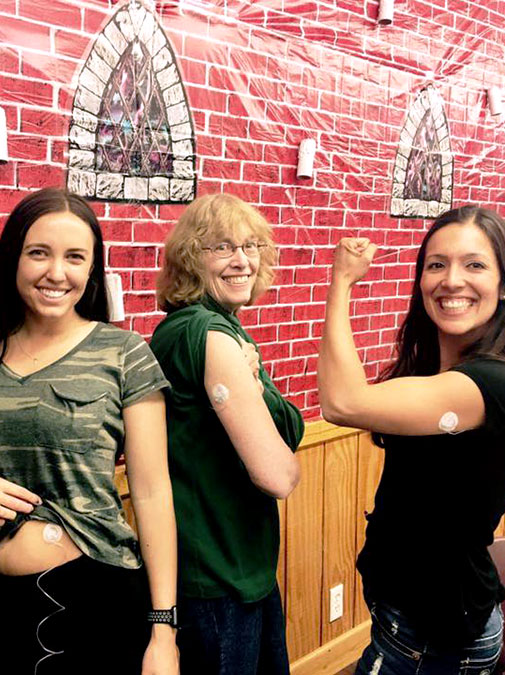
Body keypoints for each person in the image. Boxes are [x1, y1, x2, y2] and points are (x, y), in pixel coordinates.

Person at [0, 187, 179, 675]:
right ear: (13, 259)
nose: (56, 272)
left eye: (75, 257)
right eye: (39, 253)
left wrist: (163, 630)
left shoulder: (124, 353)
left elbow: (152, 492)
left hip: (102, 594)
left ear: (92, 269)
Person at [318, 205, 505, 674]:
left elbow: (341, 403)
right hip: (414, 621)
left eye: (475, 265)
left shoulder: (492, 385)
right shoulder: (446, 373)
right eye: (437, 264)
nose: (451, 280)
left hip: (433, 639)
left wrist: (341, 282)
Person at [149, 193, 303, 675]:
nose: (243, 260)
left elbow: (286, 429)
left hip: (245, 571)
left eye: (251, 245)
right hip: (213, 582)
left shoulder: (228, 329)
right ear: (192, 260)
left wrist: (256, 388)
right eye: (222, 247)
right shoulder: (205, 333)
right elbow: (279, 474)